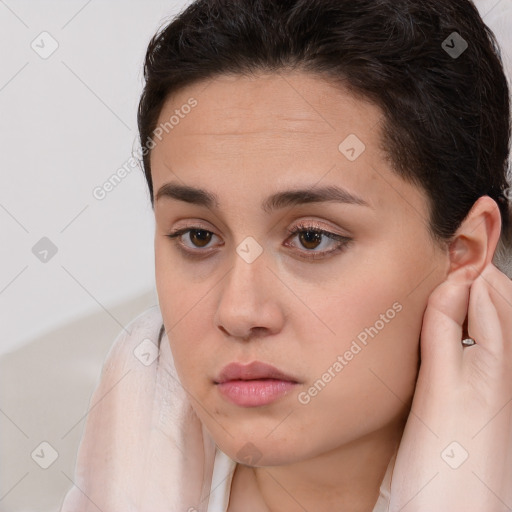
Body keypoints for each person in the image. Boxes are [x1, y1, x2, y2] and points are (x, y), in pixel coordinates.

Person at [61, 0, 512, 510]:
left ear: (464, 251)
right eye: (199, 237)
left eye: (312, 238)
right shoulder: (122, 460)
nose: (238, 313)